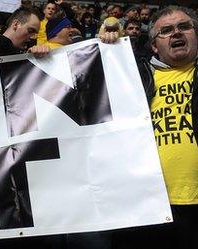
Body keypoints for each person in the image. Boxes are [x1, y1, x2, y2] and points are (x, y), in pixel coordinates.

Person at [115, 6, 198, 249]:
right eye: (166, 30)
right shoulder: (136, 76)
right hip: (146, 203)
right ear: (153, 46)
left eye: (184, 27)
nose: (176, 33)